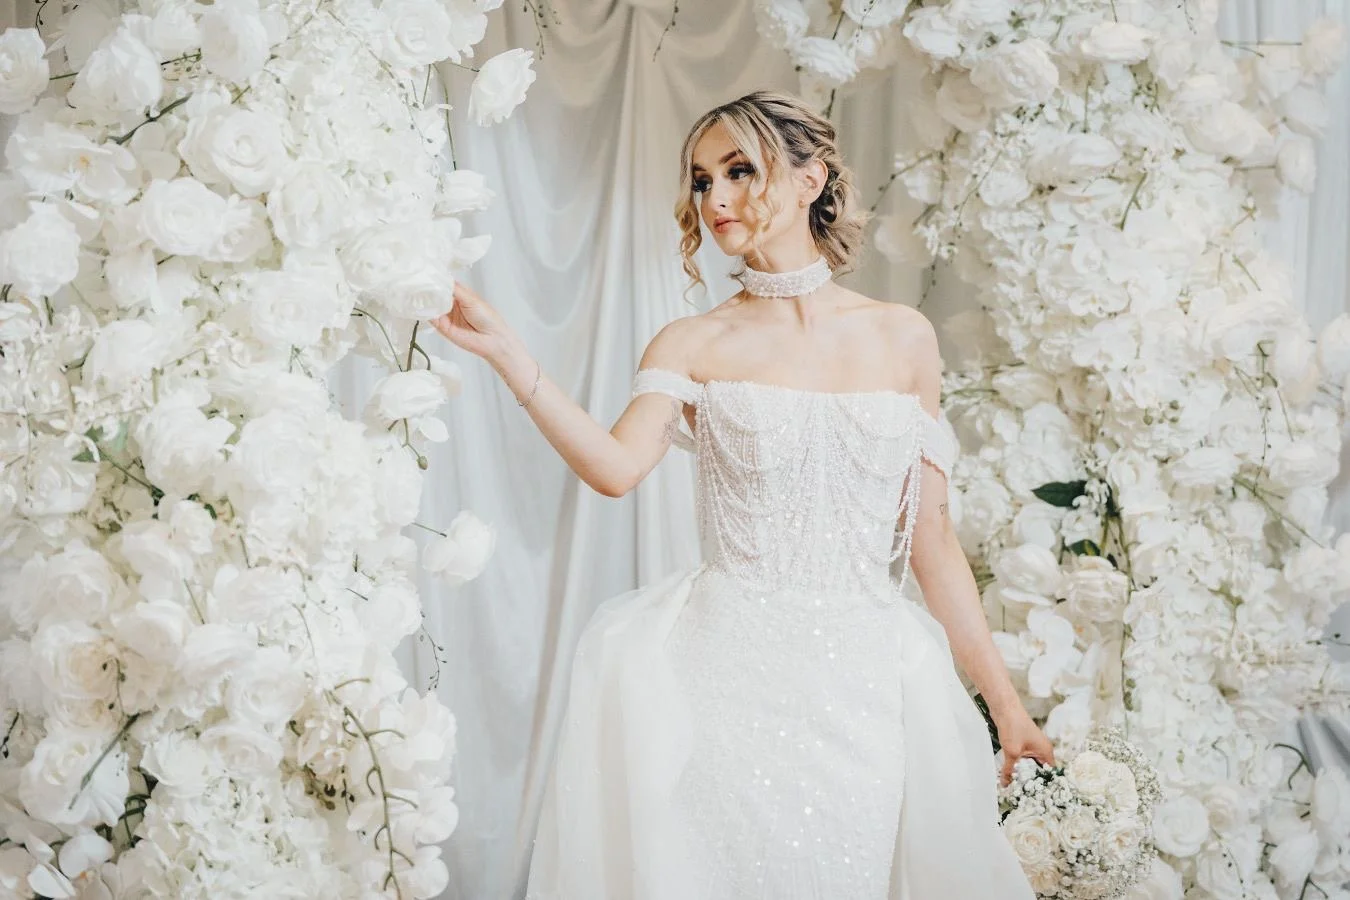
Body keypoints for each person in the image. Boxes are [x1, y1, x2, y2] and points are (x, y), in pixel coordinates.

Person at [430, 90, 1053, 900]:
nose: (715, 199)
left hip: (862, 685)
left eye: (738, 171)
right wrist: (514, 359)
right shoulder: (696, 341)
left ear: (809, 179)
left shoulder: (905, 339)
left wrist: (1007, 710)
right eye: (699, 181)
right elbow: (616, 470)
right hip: (724, 681)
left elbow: (931, 543)